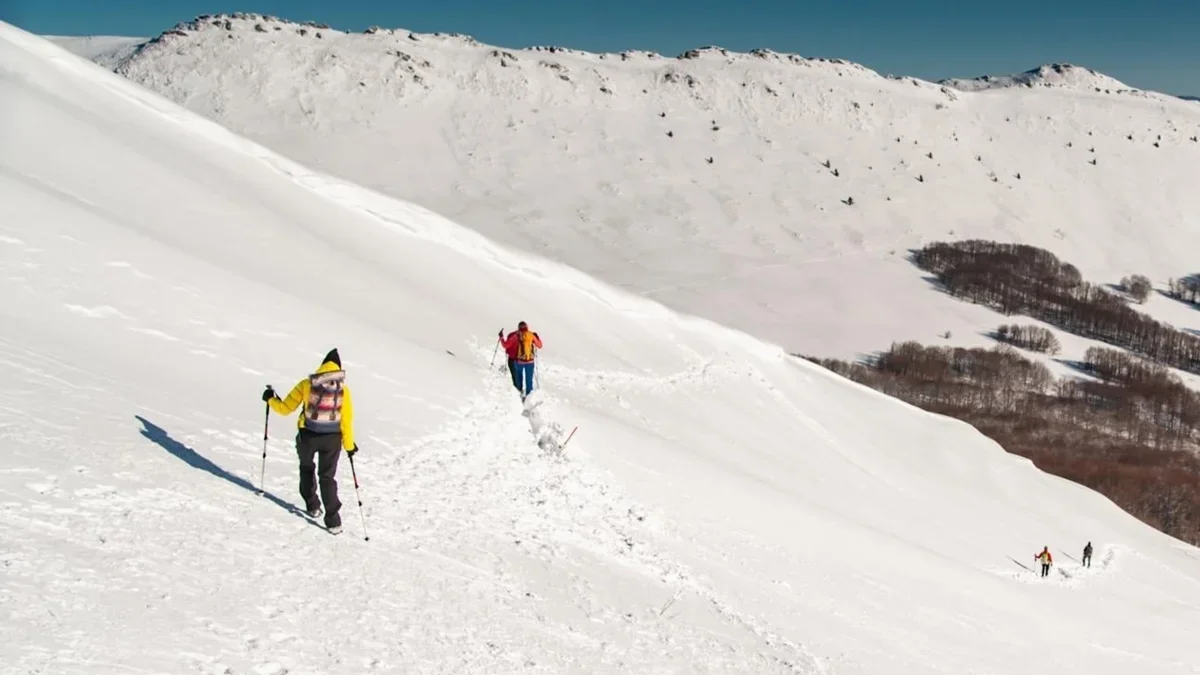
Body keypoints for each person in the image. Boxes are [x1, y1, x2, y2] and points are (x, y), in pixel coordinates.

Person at [262, 348, 358, 534]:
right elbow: (346, 421)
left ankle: (312, 505)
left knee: (306, 468)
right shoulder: (343, 391)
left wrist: (271, 400)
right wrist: (349, 446)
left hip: (308, 436)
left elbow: (285, 408)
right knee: (327, 477)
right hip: (332, 439)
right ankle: (333, 521)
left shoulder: (307, 384)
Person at [502, 322, 542, 399]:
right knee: (529, 382)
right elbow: (540, 345)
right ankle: (528, 399)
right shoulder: (531, 335)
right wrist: (537, 337)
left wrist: (501, 338)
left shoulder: (515, 336)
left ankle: (519, 396)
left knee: (519, 380)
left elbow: (505, 345)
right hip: (530, 362)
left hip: (519, 361)